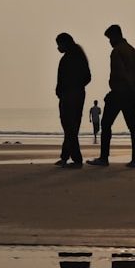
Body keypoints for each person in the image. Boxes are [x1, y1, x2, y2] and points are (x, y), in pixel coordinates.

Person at [87, 25, 135, 168]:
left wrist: (126, 89)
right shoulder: (134, 51)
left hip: (120, 93)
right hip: (130, 94)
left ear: (115, 36)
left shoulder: (117, 52)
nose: (109, 42)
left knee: (106, 124)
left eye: (110, 38)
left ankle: (104, 158)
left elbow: (120, 74)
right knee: (133, 126)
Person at [55, 32, 91, 168]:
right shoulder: (78, 56)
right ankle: (65, 157)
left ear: (65, 43)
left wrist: (70, 88)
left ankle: (76, 159)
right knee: (71, 127)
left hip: (70, 96)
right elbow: (87, 77)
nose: (58, 48)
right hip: (75, 95)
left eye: (59, 44)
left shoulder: (71, 58)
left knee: (69, 127)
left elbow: (85, 77)